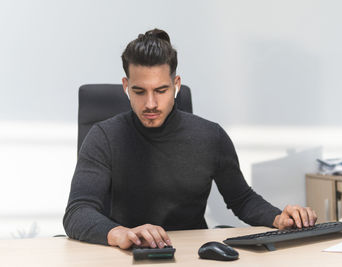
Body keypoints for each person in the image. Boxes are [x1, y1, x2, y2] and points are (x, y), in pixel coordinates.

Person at [63, 28, 317, 250]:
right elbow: (78, 211)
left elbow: (241, 199)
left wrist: (279, 218)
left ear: (176, 85)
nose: (150, 103)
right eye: (139, 91)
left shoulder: (210, 136)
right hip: (129, 253)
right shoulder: (104, 137)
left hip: (192, 253)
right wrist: (120, 234)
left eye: (161, 90)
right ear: (125, 86)